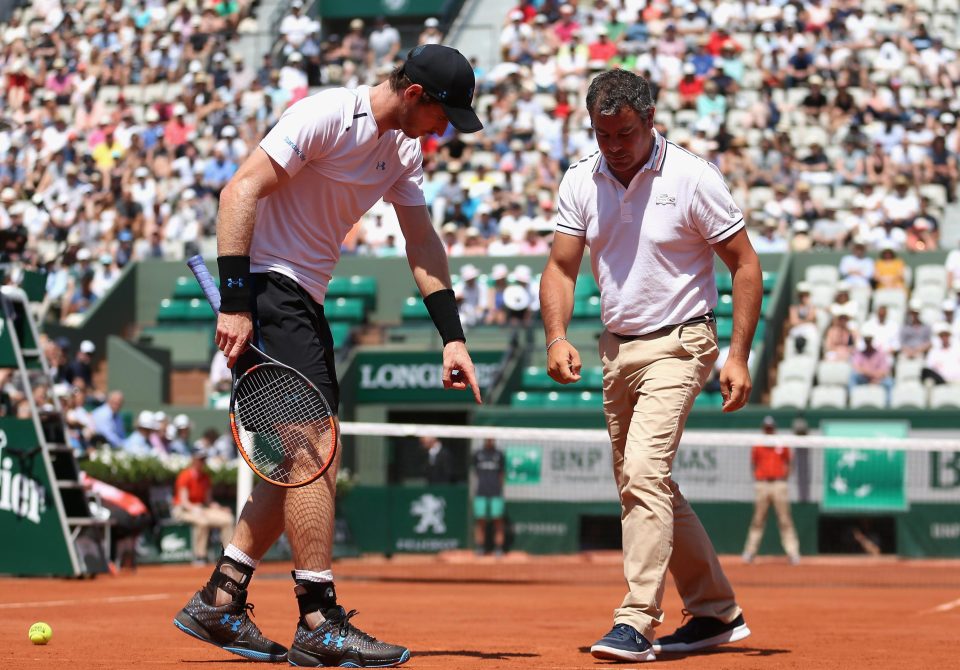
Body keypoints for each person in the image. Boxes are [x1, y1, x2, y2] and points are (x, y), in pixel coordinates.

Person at [173, 44, 484, 668]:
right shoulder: (328, 114)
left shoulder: (402, 153)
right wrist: (236, 302)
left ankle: (221, 598)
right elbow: (239, 193)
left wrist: (453, 335)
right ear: (416, 95)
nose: (446, 130)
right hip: (265, 287)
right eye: (444, 115)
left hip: (303, 297)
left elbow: (422, 244)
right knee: (313, 454)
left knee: (294, 463)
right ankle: (318, 618)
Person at [539, 70, 759, 662]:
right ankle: (716, 612)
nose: (614, 145)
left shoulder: (692, 177)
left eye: (626, 133)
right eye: (602, 133)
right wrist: (556, 336)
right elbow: (561, 268)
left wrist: (738, 354)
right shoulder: (580, 179)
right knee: (645, 480)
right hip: (617, 349)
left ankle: (636, 620)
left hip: (683, 343)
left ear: (651, 119)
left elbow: (744, 265)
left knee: (641, 473)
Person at [741, 417, 801, 565]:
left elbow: (790, 462)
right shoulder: (758, 444)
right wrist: (759, 479)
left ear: (774, 428)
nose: (768, 430)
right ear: (763, 429)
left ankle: (793, 553)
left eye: (771, 427)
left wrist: (784, 478)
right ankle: (750, 552)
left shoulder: (782, 443)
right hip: (762, 485)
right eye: (766, 428)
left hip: (779, 484)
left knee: (785, 519)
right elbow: (753, 463)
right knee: (758, 520)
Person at [173, 447, 236, 565]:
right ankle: (200, 556)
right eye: (200, 459)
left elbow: (208, 501)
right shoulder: (185, 475)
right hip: (182, 510)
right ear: (193, 460)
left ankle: (229, 556)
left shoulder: (205, 477)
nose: (202, 462)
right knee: (203, 522)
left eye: (203, 459)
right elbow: (183, 501)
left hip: (201, 508)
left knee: (227, 519)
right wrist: (194, 508)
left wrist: (219, 508)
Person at [472, 438, 506, 556]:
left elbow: (502, 474)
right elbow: (476, 472)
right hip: (481, 492)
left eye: (491, 438)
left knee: (498, 521)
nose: (489, 440)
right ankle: (480, 547)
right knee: (480, 521)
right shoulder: (478, 454)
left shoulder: (499, 454)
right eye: (487, 438)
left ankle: (498, 548)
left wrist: (498, 488)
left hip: (496, 493)